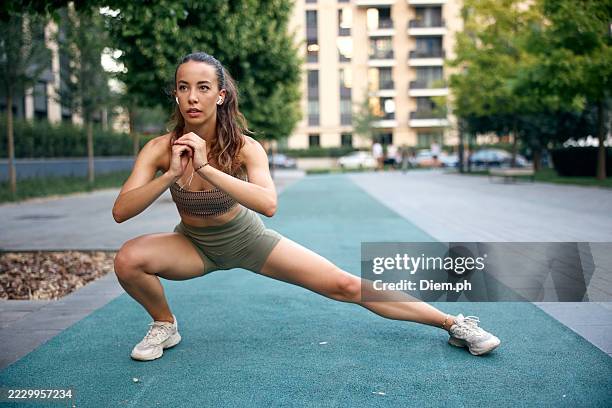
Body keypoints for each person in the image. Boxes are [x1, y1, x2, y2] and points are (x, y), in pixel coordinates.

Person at [112, 52, 501, 362]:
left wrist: (205, 168)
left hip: (248, 241)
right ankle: (165, 324)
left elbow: (268, 204)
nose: (192, 97)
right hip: (193, 246)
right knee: (128, 259)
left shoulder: (246, 147)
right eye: (183, 87)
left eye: (202, 87)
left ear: (220, 94)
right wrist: (168, 176)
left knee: (345, 285)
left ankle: (454, 323)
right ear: (176, 95)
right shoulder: (160, 149)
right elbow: (121, 211)